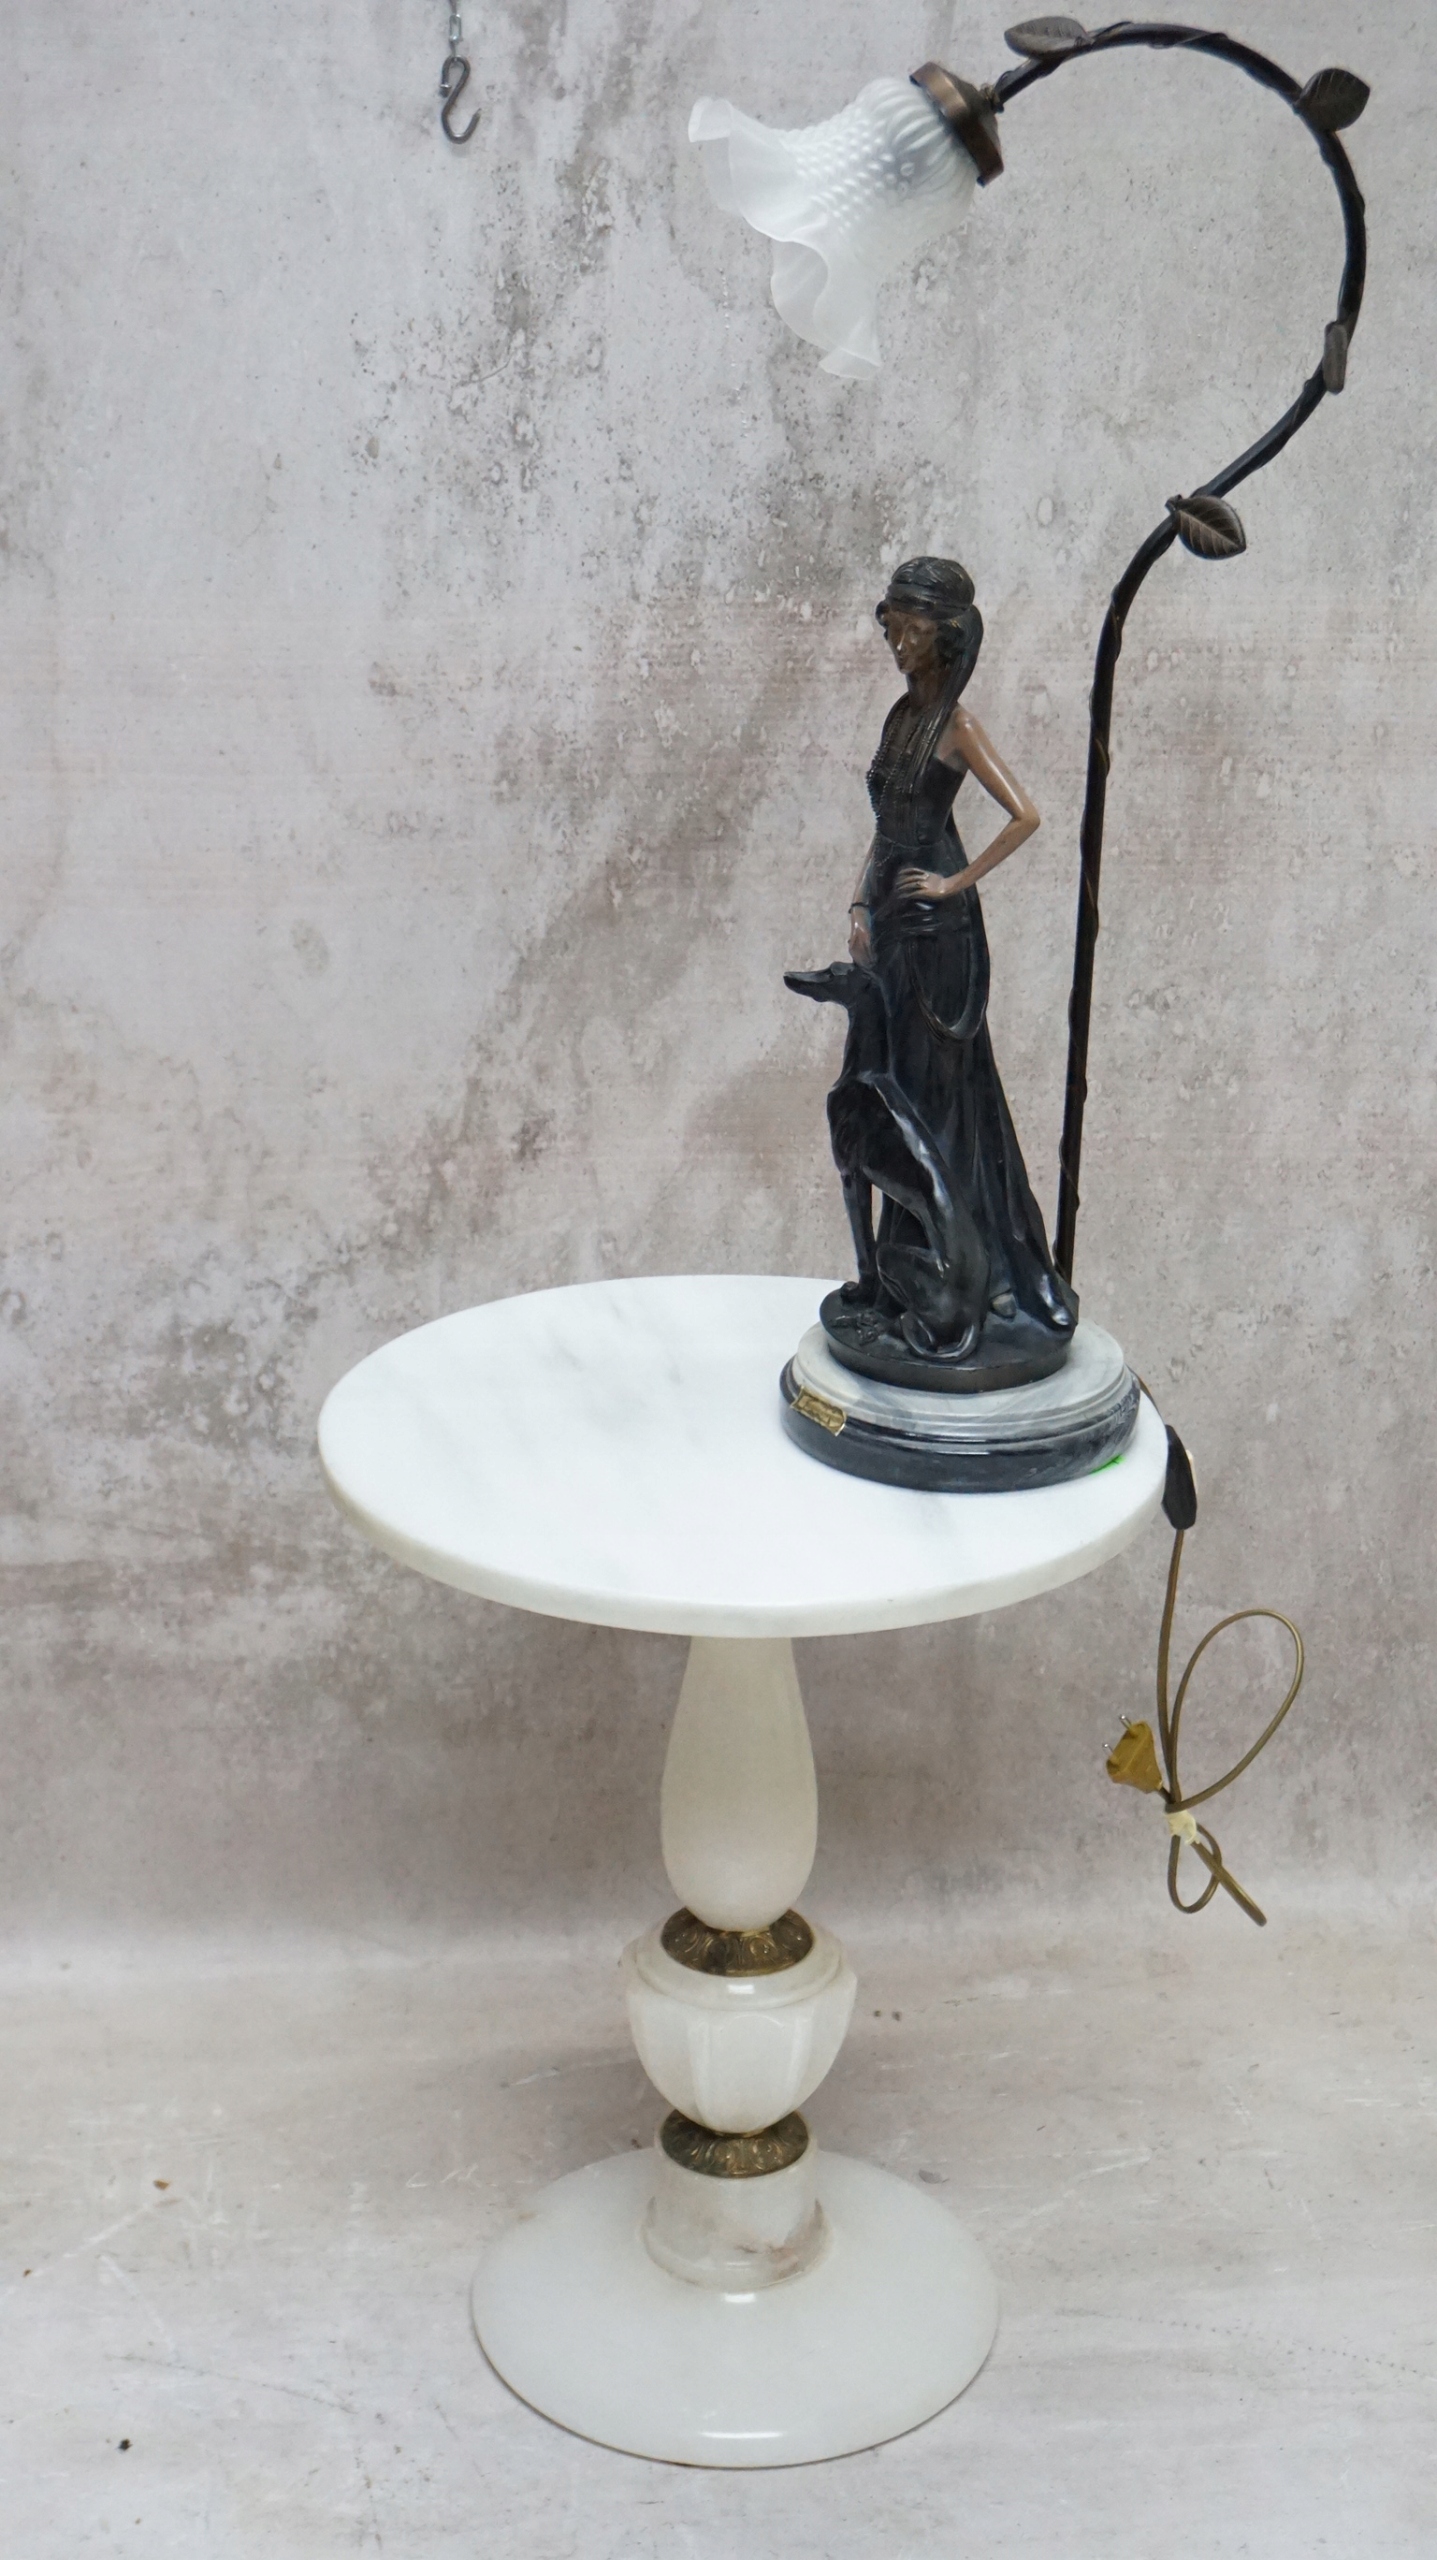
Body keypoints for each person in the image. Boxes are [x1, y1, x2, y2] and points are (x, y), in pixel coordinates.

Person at [787, 555, 1076, 1373]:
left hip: (937, 936)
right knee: (893, 1091)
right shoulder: (899, 716)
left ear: (943, 639)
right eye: (892, 629)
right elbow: (885, 827)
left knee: (937, 1101)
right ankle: (902, 1272)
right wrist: (857, 903)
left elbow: (1025, 815)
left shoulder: (957, 724)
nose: (897, 645)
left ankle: (981, 1277)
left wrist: (953, 882)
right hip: (887, 916)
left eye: (910, 632)